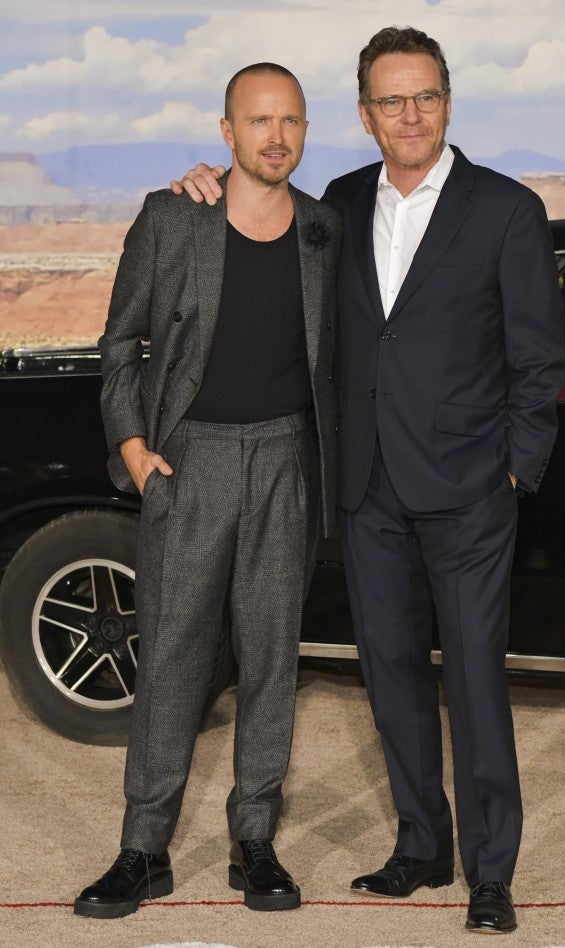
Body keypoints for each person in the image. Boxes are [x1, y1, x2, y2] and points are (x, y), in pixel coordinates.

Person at [171, 27, 565, 935]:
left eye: (424, 96)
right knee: (389, 678)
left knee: (475, 684)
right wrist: (204, 186)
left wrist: (516, 467)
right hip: (367, 490)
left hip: (471, 491)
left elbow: (539, 357)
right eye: (392, 100)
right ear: (364, 115)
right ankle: (422, 847)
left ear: (448, 104)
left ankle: (491, 871)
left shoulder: (507, 210)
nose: (410, 115)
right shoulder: (339, 206)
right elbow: (259, 219)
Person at [74, 63, 341, 919]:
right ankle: (142, 848)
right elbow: (121, 342)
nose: (277, 137)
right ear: (227, 132)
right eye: (259, 120)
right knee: (172, 662)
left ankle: (254, 840)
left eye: (290, 120)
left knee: (270, 660)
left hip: (286, 463)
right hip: (189, 464)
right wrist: (134, 448)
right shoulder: (172, 216)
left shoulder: (325, 229)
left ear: (306, 129)